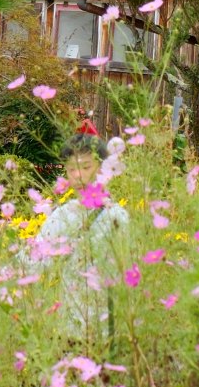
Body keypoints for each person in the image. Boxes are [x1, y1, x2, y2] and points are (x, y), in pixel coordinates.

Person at [27, 135, 132, 339]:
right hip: (72, 329)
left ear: (102, 168)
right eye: (72, 169)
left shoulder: (117, 216)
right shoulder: (62, 215)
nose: (78, 176)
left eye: (85, 167)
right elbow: (35, 260)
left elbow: (127, 273)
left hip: (111, 329)